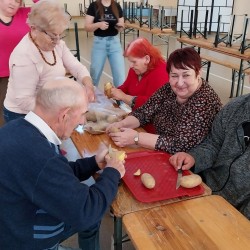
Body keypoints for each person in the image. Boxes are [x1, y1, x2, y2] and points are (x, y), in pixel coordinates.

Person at [0, 77, 126, 250]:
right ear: (64, 115)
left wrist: (94, 163)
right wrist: (112, 173)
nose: (82, 121)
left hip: (14, 222)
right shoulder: (42, 158)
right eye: (82, 114)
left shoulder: (16, 128)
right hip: (27, 239)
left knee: (91, 221)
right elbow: (85, 211)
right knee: (92, 216)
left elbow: (56, 174)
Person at [106, 47, 222, 154]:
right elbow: (144, 112)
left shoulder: (205, 101)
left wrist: (136, 138)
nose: (180, 83)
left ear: (198, 73)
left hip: (188, 166)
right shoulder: (169, 88)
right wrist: (122, 124)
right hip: (161, 153)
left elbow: (180, 145)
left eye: (186, 75)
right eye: (174, 75)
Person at [3, 0, 95, 123]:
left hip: (45, 109)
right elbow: (24, 101)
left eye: (60, 35)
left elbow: (77, 67)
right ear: (34, 29)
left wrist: (88, 85)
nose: (57, 41)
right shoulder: (24, 56)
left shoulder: (57, 44)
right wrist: (57, 110)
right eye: (52, 36)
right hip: (22, 115)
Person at [169, 94, 250, 220]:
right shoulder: (236, 107)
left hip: (240, 214)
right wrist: (194, 157)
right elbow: (213, 144)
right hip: (206, 188)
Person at [105, 37, 169, 133]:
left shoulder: (161, 72)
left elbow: (151, 105)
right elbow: (126, 86)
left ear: (147, 59)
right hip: (137, 120)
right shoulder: (136, 69)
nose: (131, 65)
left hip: (153, 129)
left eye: (134, 61)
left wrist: (124, 97)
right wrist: (115, 91)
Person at [0, 0, 38, 127]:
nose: (13, 3)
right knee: (4, 121)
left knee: (29, 117)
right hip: (3, 79)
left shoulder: (27, 14)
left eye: (18, 0)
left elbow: (47, 5)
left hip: (27, 75)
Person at [85, 0, 125, 87]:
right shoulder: (94, 6)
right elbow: (87, 27)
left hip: (115, 44)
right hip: (99, 44)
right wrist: (98, 25)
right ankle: (91, 96)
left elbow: (122, 25)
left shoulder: (117, 6)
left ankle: (120, 99)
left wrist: (120, 26)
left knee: (120, 75)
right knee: (95, 74)